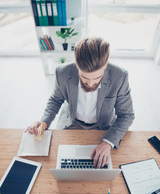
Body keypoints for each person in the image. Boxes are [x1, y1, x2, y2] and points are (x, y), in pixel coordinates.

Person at [26, 37, 134, 168]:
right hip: (71, 124)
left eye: (97, 78)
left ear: (106, 65)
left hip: (103, 128)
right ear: (76, 63)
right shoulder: (62, 72)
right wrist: (44, 122)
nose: (90, 84)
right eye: (84, 78)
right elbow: (56, 100)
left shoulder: (120, 76)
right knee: (55, 162)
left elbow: (126, 115)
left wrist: (107, 142)